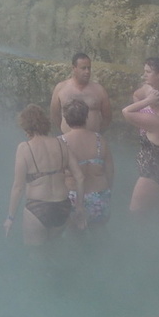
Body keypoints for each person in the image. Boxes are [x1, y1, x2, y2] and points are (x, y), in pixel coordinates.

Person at [6, 104, 84, 245]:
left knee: (36, 254)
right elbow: (80, 177)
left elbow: (18, 187)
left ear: (26, 126)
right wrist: (79, 207)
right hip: (62, 207)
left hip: (38, 207)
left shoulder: (24, 148)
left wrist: (10, 218)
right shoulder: (61, 144)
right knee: (53, 249)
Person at [122, 84, 159, 214]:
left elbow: (126, 112)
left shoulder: (155, 121)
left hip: (151, 175)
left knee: (136, 216)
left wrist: (147, 101)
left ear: (156, 99)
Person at [59, 98, 114, 229]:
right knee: (99, 235)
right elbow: (110, 171)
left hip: (73, 197)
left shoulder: (60, 142)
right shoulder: (100, 140)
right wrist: (108, 193)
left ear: (65, 118)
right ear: (87, 117)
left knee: (74, 238)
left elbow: (54, 175)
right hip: (99, 195)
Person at [50, 53, 111, 134]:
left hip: (92, 138)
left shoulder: (99, 90)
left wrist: (96, 133)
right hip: (67, 138)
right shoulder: (61, 88)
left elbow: (107, 117)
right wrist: (65, 131)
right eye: (83, 68)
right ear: (74, 68)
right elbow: (55, 115)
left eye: (89, 68)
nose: (87, 71)